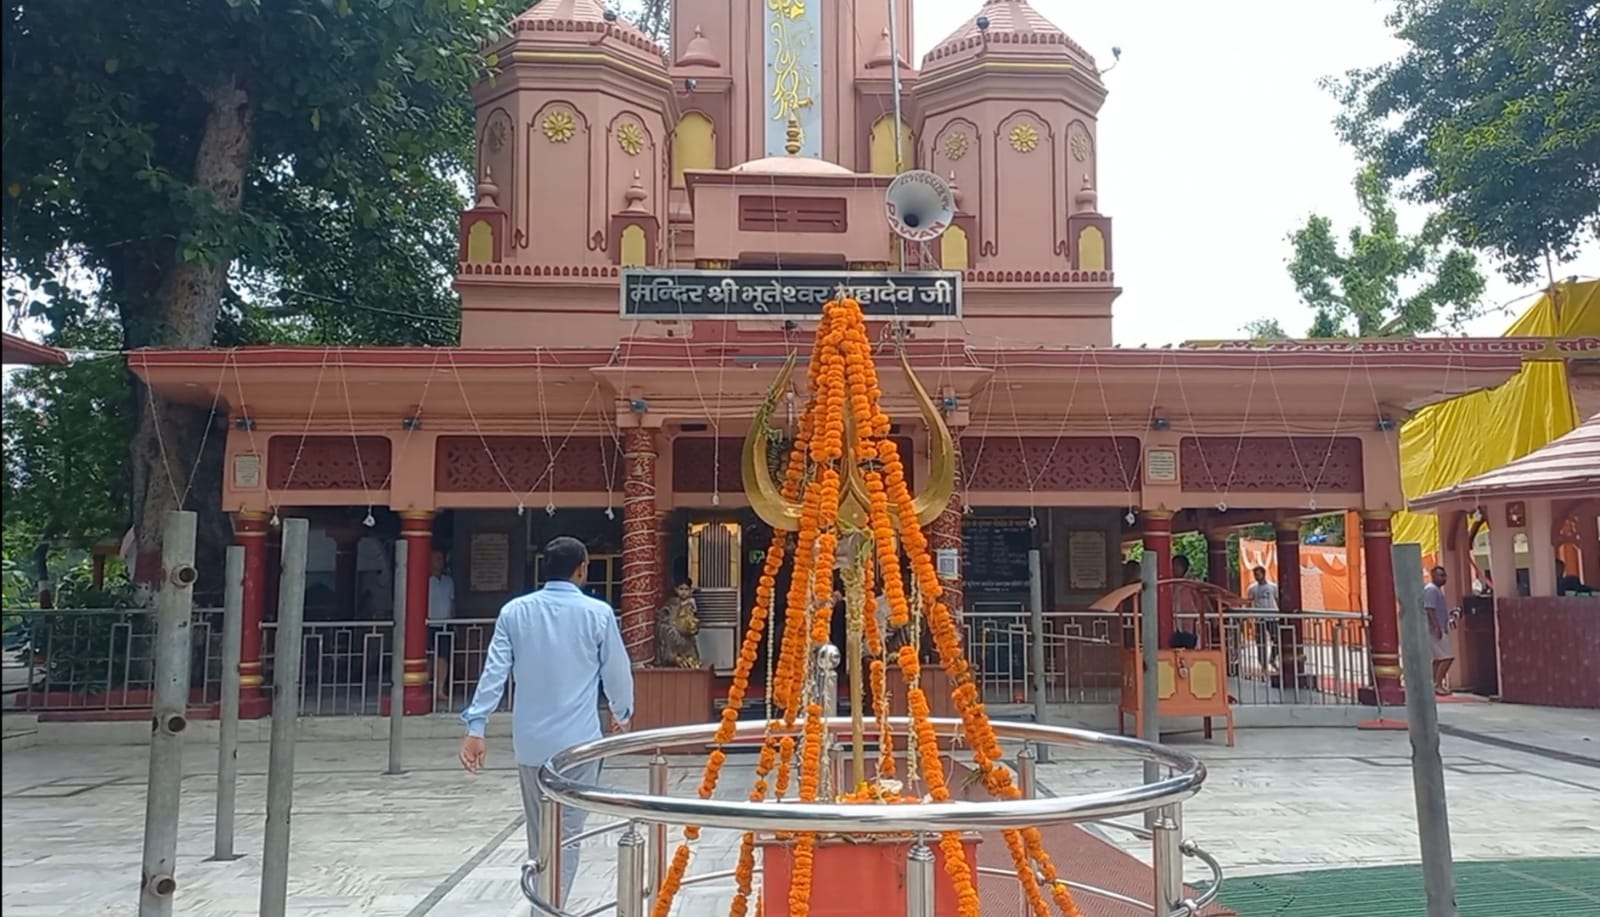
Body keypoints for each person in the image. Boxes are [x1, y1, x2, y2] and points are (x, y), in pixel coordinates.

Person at [458, 536, 634, 906]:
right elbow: (616, 673)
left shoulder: (514, 612)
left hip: (531, 743)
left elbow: (494, 673)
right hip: (579, 745)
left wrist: (477, 727)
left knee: (540, 837)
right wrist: (622, 712)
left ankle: (544, 904)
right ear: (582, 568)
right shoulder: (597, 614)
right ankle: (550, 909)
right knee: (567, 835)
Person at [1422, 565, 1457, 696]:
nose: (1444, 578)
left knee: (1438, 659)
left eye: (1444, 575)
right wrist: (1436, 627)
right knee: (1447, 657)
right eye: (1441, 575)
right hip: (1435, 629)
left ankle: (1433, 684)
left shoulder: (1436, 590)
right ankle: (1438, 684)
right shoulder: (1431, 590)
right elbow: (1429, 609)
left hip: (1439, 627)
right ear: (1433, 576)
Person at [428, 550, 456, 705]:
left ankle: (440, 689)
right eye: (436, 558)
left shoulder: (448, 581)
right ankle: (427, 686)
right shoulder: (424, 580)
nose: (440, 562)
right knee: (429, 658)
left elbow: (452, 603)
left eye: (441, 558)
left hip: (445, 624)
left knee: (443, 657)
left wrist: (453, 621)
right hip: (428, 624)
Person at [1246, 565, 1280, 673]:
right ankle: (1263, 665)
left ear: (1264, 574)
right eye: (1255, 574)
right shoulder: (1252, 589)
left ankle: (1272, 658)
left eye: (1258, 574)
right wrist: (1249, 617)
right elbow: (1249, 603)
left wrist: (1280, 614)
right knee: (1260, 643)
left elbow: (1277, 600)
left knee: (1277, 639)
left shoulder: (1273, 587)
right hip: (1260, 619)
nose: (1256, 576)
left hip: (1272, 618)